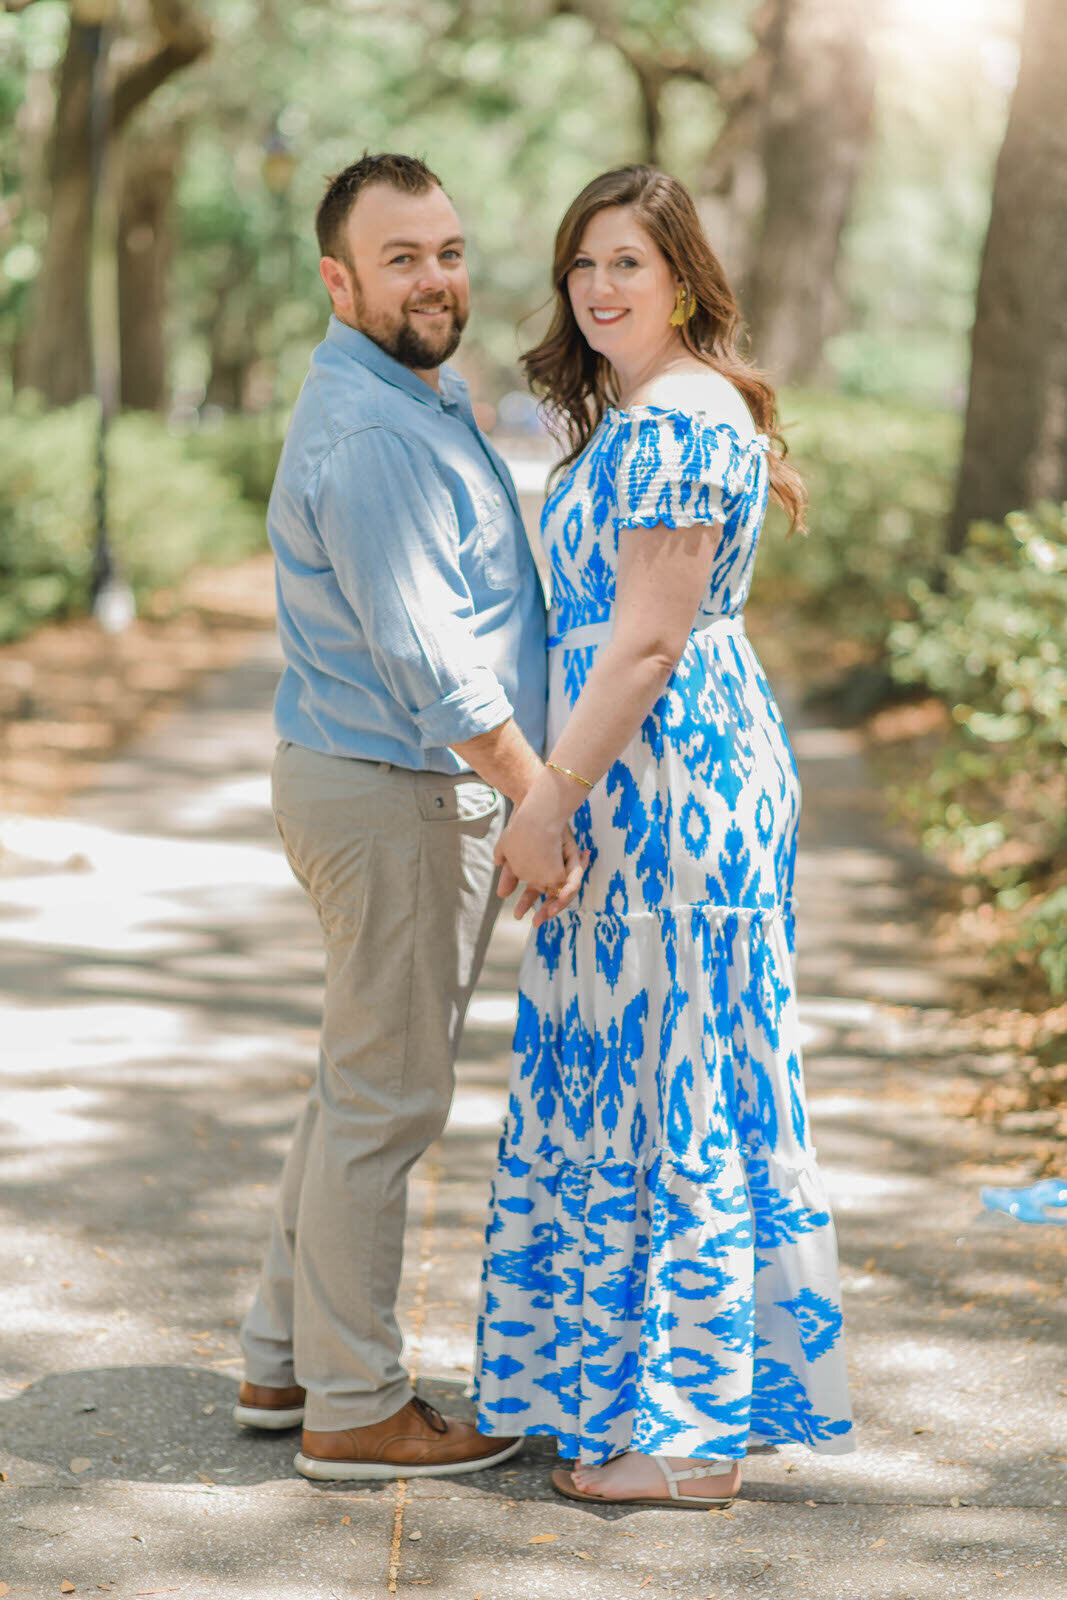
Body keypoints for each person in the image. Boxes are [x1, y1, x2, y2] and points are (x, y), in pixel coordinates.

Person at [473, 165, 854, 1506]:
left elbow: (646, 640)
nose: (597, 288)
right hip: (627, 768)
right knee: (629, 1065)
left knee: (678, 1064)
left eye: (627, 262)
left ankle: (689, 1446)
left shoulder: (686, 417)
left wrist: (547, 797)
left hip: (673, 773)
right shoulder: (640, 415)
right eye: (582, 264)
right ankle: (638, 1400)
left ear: (683, 279)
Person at [234, 152, 584, 1482]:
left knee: (353, 1089)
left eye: (446, 248)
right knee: (388, 1099)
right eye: (400, 258)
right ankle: (358, 1406)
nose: (435, 276)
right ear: (338, 280)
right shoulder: (378, 427)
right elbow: (432, 663)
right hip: (398, 797)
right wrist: (534, 788)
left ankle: (287, 1359)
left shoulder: (408, 393)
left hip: (385, 788)